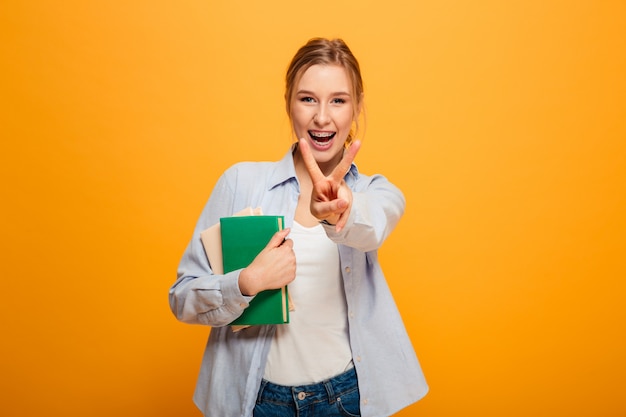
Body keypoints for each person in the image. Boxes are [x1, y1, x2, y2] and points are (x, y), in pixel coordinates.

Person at [169, 37, 428, 417]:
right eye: (308, 99)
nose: (322, 117)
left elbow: (372, 225)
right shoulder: (240, 183)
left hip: (345, 400)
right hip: (258, 402)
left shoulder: (375, 192)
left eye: (338, 100)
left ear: (356, 107)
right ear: (289, 103)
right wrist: (245, 283)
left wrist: (341, 210)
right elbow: (182, 297)